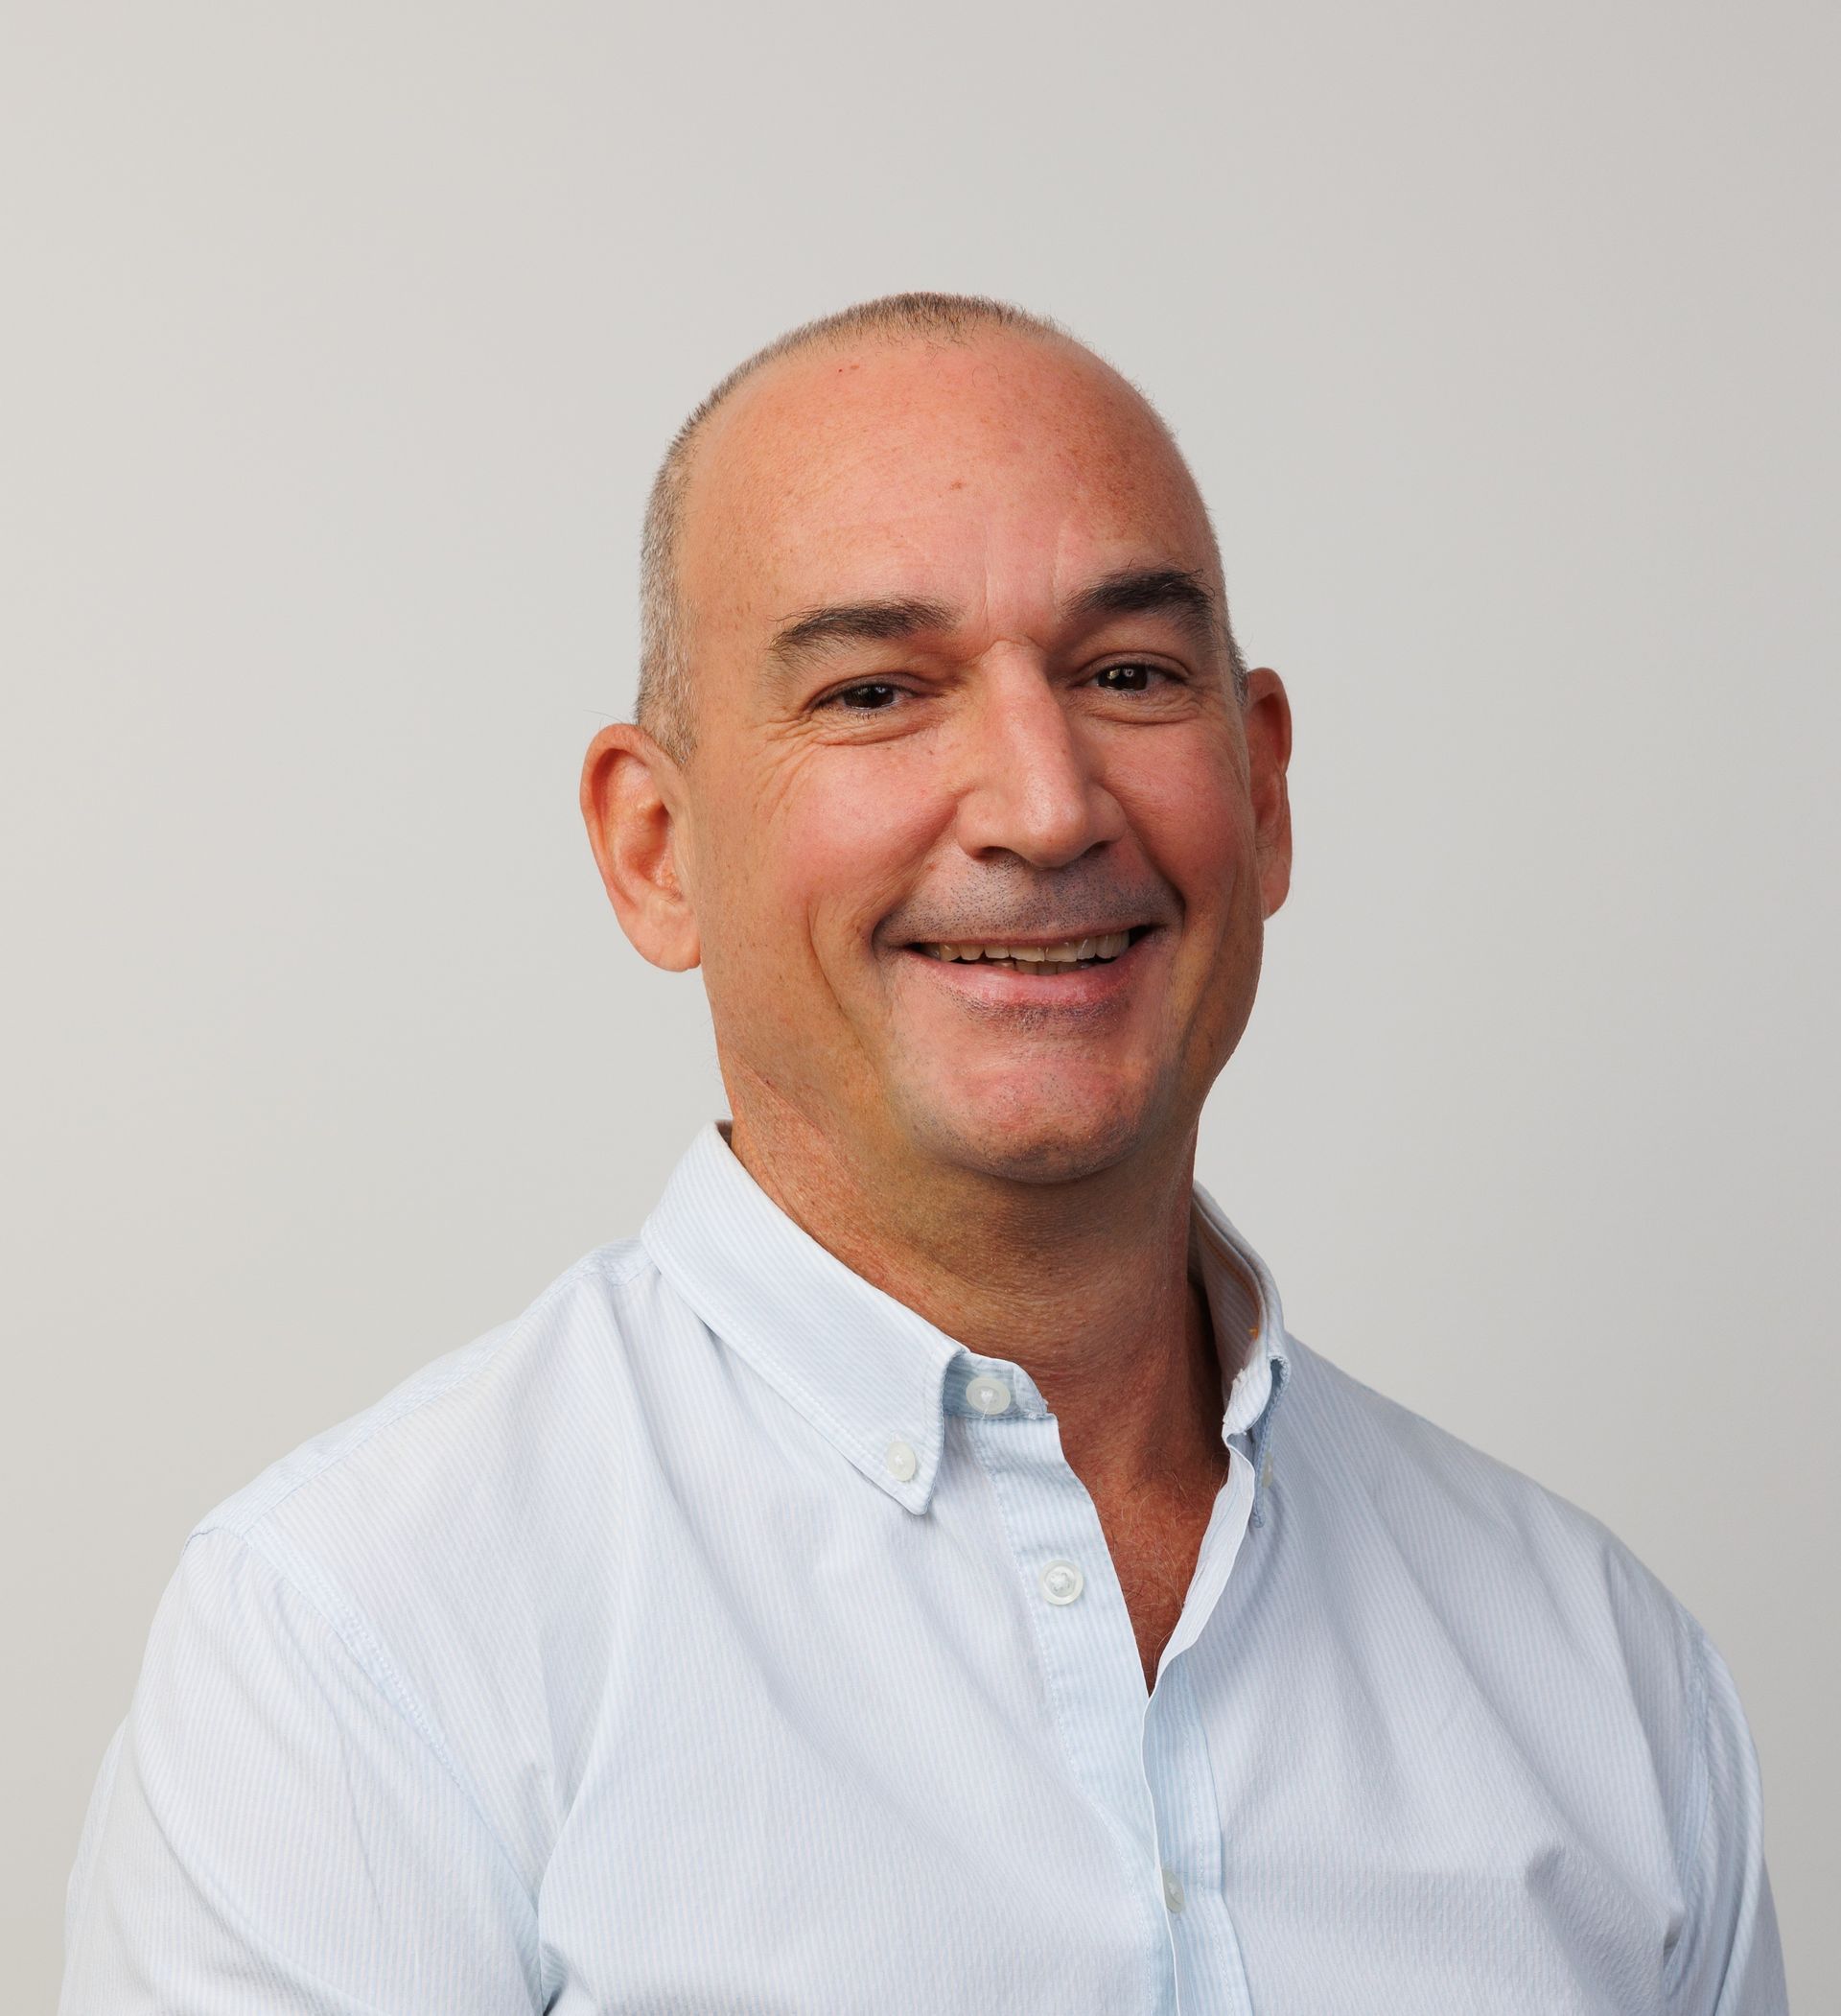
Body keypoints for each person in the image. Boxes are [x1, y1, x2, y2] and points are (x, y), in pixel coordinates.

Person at [59, 291, 1788, 2014]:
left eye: (1126, 674)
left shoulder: (1608, 1678)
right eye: (878, 690)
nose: (1045, 804)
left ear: (1261, 795)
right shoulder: (356, 1657)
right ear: (655, 848)